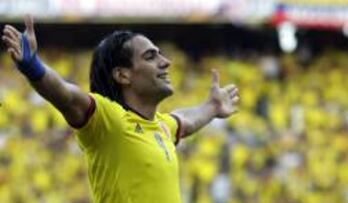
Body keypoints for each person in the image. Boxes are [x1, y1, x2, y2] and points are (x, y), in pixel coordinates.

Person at [2, 16, 239, 203]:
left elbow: (185, 121)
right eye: (150, 56)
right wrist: (32, 66)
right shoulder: (109, 120)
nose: (165, 62)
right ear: (122, 74)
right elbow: (67, 96)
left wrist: (212, 106)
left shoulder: (160, 126)